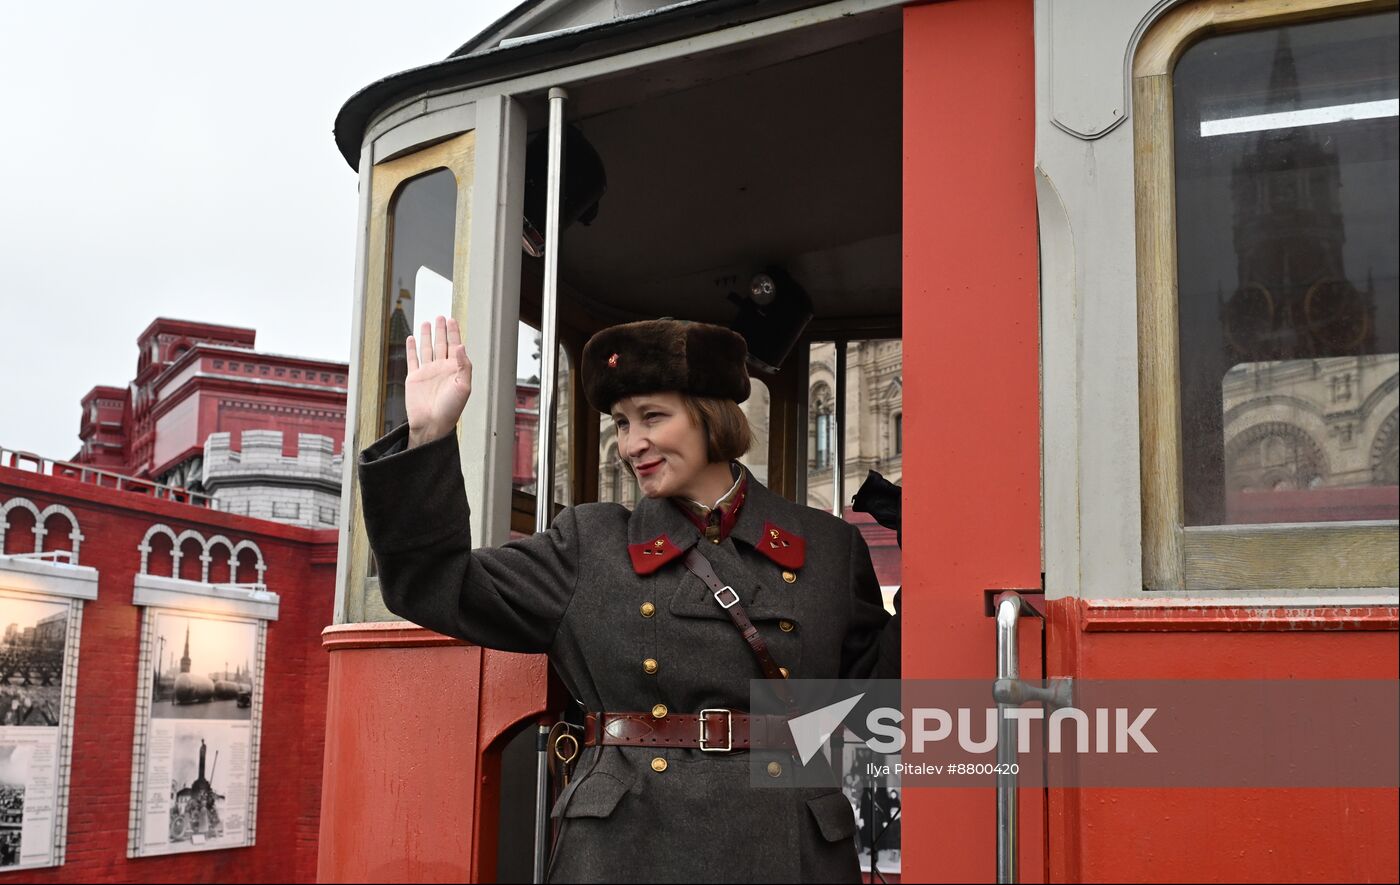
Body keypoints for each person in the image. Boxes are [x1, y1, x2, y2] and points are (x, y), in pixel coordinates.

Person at [359, 315, 901, 882]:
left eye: (652, 417)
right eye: (621, 423)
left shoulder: (828, 547)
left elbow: (877, 704)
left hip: (789, 849)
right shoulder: (588, 543)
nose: (629, 445)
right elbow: (432, 583)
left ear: (712, 416)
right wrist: (428, 435)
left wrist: (931, 572)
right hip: (627, 848)